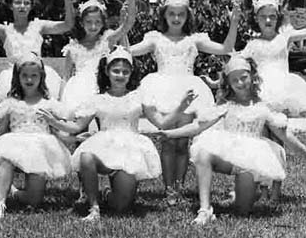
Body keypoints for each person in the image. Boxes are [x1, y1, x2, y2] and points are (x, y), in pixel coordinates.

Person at [158, 55, 306, 225]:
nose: (240, 83)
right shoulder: (226, 104)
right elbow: (199, 126)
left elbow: (284, 135)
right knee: (204, 154)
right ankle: (205, 209)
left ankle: (240, 196)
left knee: (243, 212)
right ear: (228, 83)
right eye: (234, 80)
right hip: (227, 153)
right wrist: (171, 133)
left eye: (243, 78)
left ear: (252, 77)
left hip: (250, 160)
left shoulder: (262, 107)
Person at [43, 46, 195, 220]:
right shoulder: (98, 99)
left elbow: (161, 122)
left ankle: (107, 193)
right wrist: (54, 122)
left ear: (131, 73)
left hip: (128, 152)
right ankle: (94, 207)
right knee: (86, 156)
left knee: (121, 207)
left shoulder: (139, 96)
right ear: (107, 72)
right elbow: (77, 126)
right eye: (116, 71)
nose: (120, 75)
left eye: (125, 71)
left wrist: (181, 107)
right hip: (103, 148)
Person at [130, 0, 241, 205]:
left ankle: (177, 188)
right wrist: (125, 24)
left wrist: (234, 23)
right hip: (162, 89)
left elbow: (226, 47)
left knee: (181, 142)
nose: (176, 18)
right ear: (164, 15)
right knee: (168, 140)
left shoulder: (194, 40)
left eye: (181, 14)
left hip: (189, 90)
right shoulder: (155, 39)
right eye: (171, 13)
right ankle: (168, 188)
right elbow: (128, 50)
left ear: (187, 16)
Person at [241, 0, 306, 200]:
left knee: (278, 139)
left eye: (272, 16)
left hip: (280, 92)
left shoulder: (284, 37)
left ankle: (276, 189)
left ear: (278, 17)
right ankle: (262, 187)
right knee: (261, 140)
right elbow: (238, 65)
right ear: (256, 19)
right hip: (260, 94)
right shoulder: (252, 44)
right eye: (263, 17)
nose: (268, 20)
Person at [0, 53, 72, 220]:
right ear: (18, 77)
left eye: (34, 75)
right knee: (6, 158)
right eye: (24, 75)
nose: (29, 79)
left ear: (41, 77)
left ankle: (14, 192)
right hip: (15, 143)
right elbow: (0, 131)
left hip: (41, 148)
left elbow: (59, 132)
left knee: (33, 202)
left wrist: (75, 138)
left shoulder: (49, 103)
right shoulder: (11, 102)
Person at [0, 0, 74, 103]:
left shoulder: (39, 26)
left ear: (31, 5)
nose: (22, 6)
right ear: (11, 5)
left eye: (26, 3)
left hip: (37, 76)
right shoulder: (5, 30)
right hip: (14, 78)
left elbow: (67, 25)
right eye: (18, 2)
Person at [61, 0, 136, 110]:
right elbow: (65, 76)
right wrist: (60, 100)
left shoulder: (107, 40)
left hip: (101, 87)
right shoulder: (73, 47)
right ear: (82, 23)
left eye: (97, 22)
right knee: (78, 125)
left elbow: (128, 24)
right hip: (77, 90)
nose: (93, 26)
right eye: (89, 22)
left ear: (103, 23)